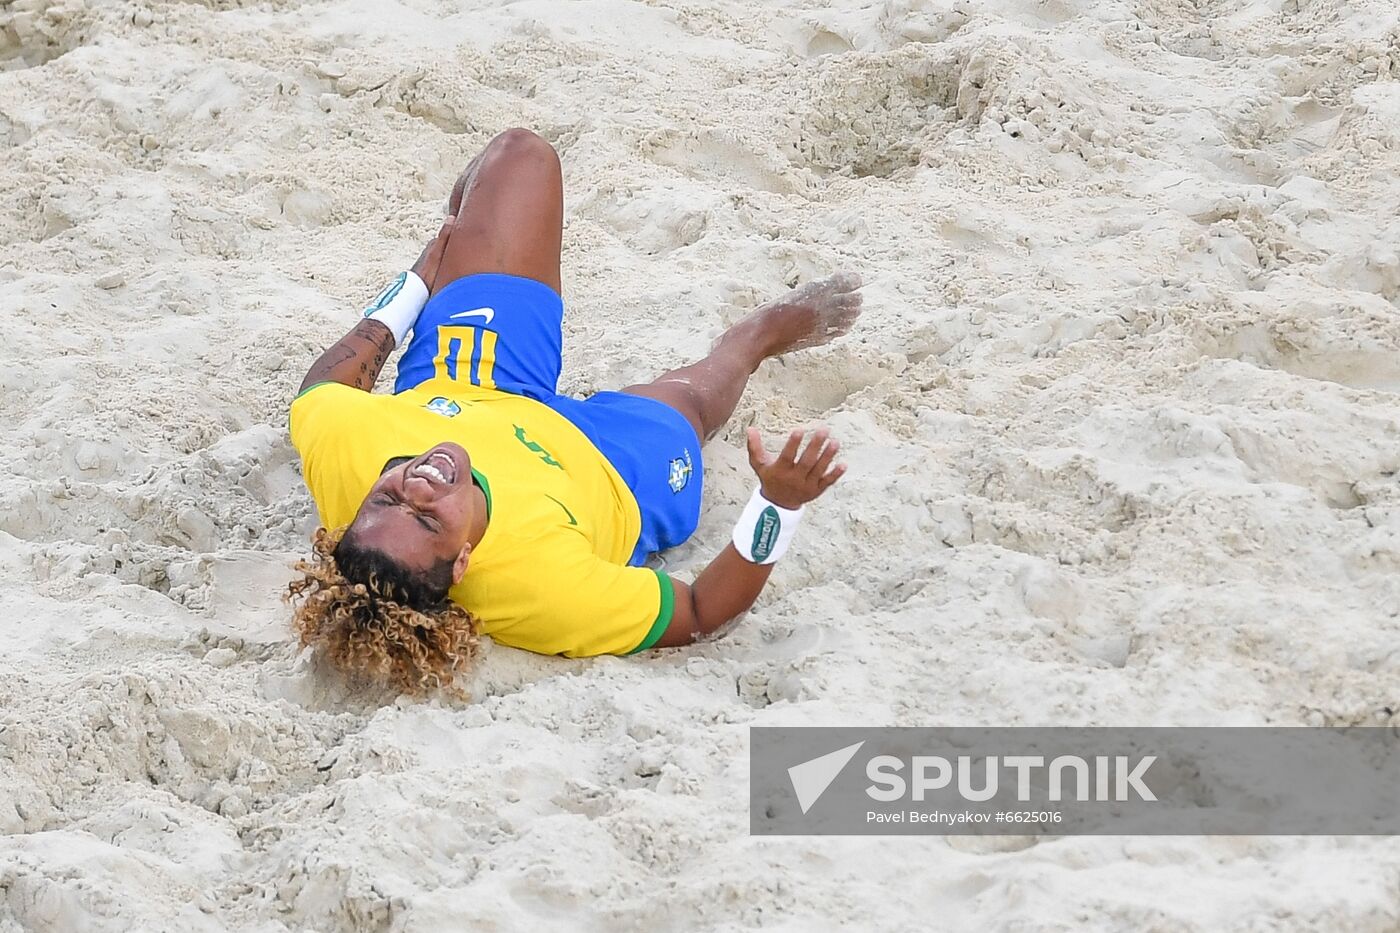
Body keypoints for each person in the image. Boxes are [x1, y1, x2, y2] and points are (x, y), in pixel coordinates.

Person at [286, 128, 862, 693]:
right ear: (463, 564)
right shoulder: (544, 590)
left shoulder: (351, 467)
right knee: (689, 398)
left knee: (522, 155)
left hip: (467, 384)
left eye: (388, 497)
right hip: (603, 470)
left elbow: (322, 390)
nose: (417, 487)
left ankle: (466, 228)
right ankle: (755, 338)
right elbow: (701, 610)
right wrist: (778, 505)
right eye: (430, 519)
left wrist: (416, 284)